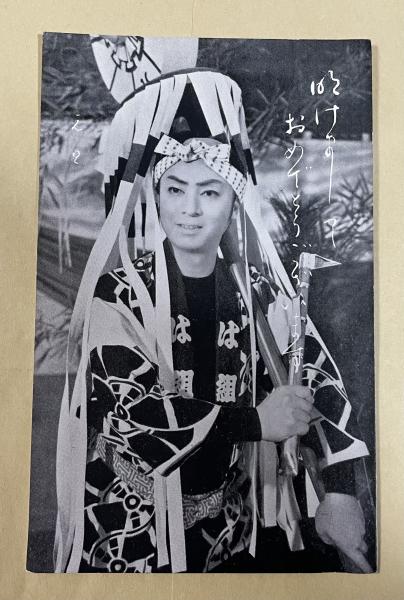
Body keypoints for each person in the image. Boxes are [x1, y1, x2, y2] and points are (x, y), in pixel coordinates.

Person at [54, 70, 370, 573]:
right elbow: (134, 409)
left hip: (227, 526)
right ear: (157, 197)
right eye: (176, 190)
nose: (191, 210)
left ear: (234, 202)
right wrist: (257, 422)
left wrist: (340, 493)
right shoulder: (118, 295)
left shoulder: (259, 294)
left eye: (210, 192)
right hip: (127, 526)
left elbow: (314, 382)